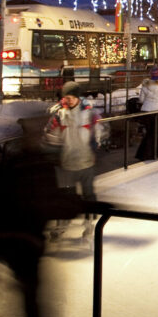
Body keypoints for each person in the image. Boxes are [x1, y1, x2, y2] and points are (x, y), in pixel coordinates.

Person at [0, 115, 82, 317]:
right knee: (32, 299)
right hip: (23, 241)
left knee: (28, 297)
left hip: (5, 239)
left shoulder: (12, 165)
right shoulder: (37, 166)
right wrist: (82, 205)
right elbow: (48, 203)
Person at [46, 81, 104, 240]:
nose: (69, 100)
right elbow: (52, 135)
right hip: (67, 161)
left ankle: (89, 222)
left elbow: (99, 130)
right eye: (66, 97)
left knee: (88, 193)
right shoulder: (59, 114)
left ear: (78, 97)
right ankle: (63, 223)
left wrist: (96, 143)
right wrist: (53, 149)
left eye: (72, 97)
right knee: (66, 195)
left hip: (86, 161)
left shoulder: (89, 113)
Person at [135, 66, 158, 161]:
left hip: (146, 111)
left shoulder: (145, 85)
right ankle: (147, 154)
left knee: (149, 133)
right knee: (154, 133)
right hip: (157, 112)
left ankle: (145, 154)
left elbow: (141, 99)